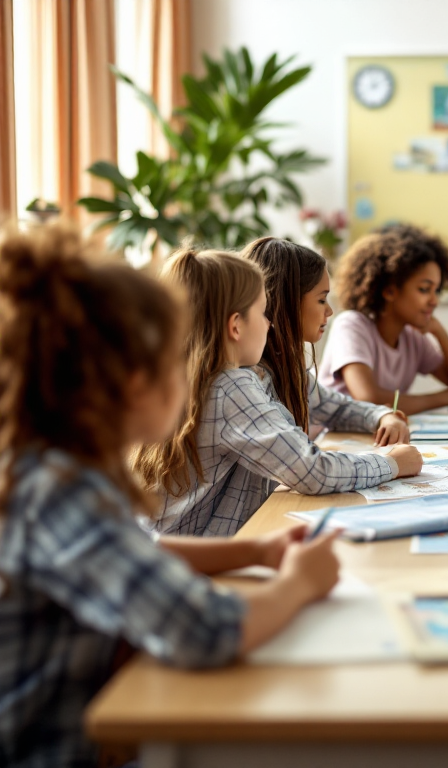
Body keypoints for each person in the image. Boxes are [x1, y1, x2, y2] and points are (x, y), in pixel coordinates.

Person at [0, 223, 341, 767]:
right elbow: (203, 630)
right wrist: (300, 584)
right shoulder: (56, 493)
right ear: (135, 381)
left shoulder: (58, 468)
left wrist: (255, 550)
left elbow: (135, 549)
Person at [135, 245, 421, 537]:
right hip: (193, 555)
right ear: (236, 326)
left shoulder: (202, 377)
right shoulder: (232, 387)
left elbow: (332, 410)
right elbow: (312, 472)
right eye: (263, 312)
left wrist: (381, 416)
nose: (269, 322)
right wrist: (392, 463)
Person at [319, 225, 448, 414]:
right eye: (424, 289)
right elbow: (368, 399)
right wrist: (446, 397)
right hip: (332, 431)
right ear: (390, 291)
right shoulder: (351, 325)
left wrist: (440, 333)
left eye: (436, 291)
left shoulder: (413, 338)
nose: (434, 301)